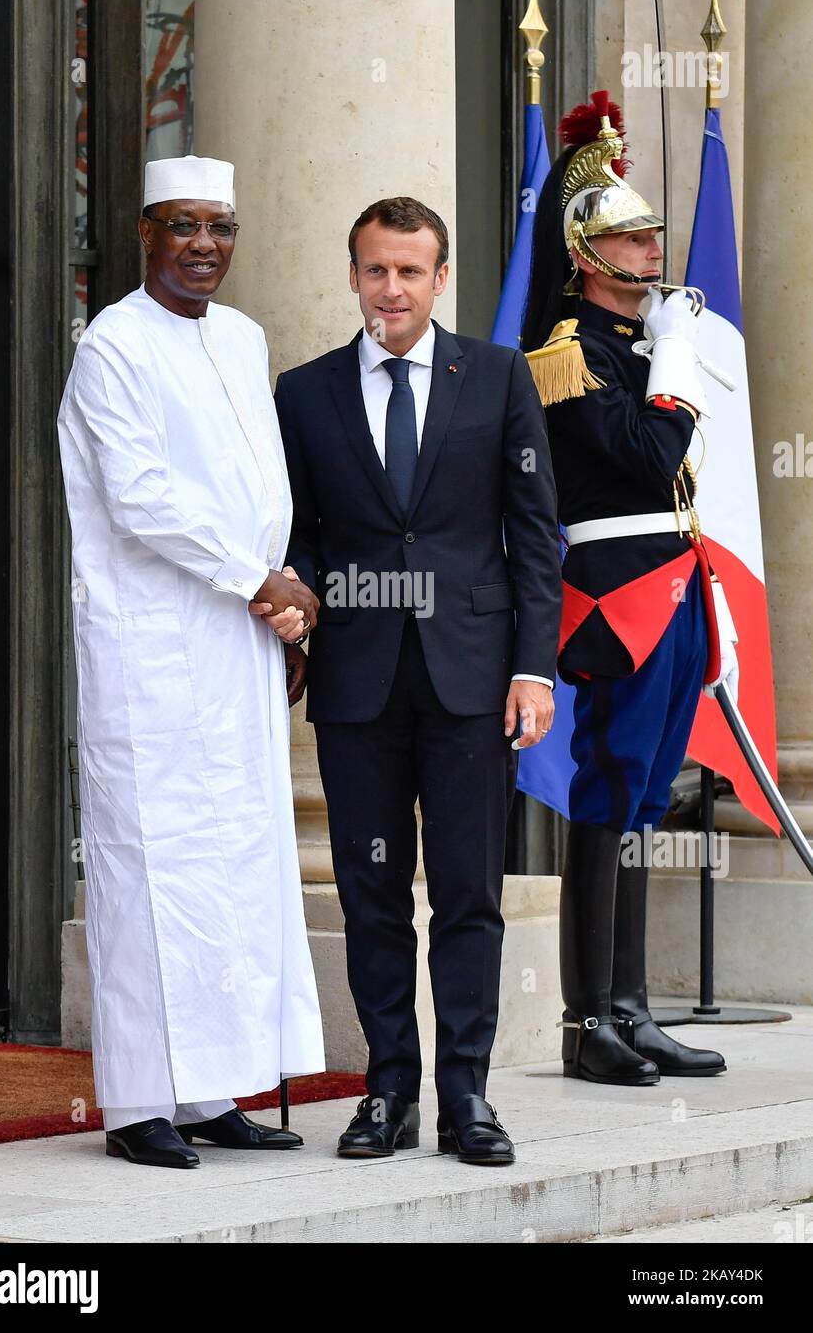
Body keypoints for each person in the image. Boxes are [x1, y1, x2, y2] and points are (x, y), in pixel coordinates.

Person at [256, 196, 562, 1164]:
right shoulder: (302, 396)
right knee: (370, 892)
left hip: (473, 681)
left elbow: (532, 536)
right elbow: (295, 530)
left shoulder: (500, 379)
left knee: (468, 892)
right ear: (352, 277)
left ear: (439, 279)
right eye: (375, 270)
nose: (391, 289)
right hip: (358, 684)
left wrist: (532, 667)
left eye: (409, 272)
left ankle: (464, 1092)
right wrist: (296, 593)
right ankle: (386, 1087)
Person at [57, 154, 325, 1168]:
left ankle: (211, 1089)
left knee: (236, 864)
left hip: (239, 642)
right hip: (152, 650)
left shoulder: (244, 337)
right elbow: (140, 498)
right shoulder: (112, 346)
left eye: (219, 226)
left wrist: (280, 592)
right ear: (145, 234)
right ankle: (134, 1104)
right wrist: (255, 577)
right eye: (183, 225)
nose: (203, 244)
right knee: (149, 867)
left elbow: (259, 486)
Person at [521, 92, 730, 1085]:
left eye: (651, 239)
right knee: (605, 791)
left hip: (670, 581)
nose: (651, 256)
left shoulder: (631, 347)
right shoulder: (566, 354)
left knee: (649, 793)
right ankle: (583, 1021)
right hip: (614, 588)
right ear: (586, 253)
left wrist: (662, 354)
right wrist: (677, 363)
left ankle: (631, 1005)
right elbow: (650, 457)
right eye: (632, 242)